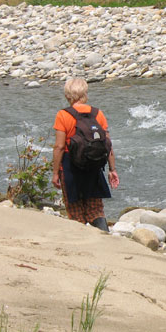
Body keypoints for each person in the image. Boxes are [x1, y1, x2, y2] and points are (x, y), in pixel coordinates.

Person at [51, 77, 119, 231]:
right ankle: (105, 239)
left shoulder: (63, 115)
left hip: (70, 166)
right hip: (94, 165)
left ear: (67, 96)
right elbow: (107, 144)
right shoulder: (97, 114)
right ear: (85, 94)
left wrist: (55, 173)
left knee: (75, 211)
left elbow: (59, 147)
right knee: (96, 210)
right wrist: (112, 170)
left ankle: (81, 245)